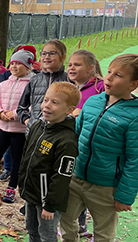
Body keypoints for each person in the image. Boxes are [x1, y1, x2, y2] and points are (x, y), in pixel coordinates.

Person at [60, 54, 138, 242]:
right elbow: (75, 136)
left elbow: (135, 160)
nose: (109, 77)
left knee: (104, 233)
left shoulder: (134, 116)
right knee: (65, 221)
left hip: (105, 187)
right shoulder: (93, 102)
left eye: (118, 75)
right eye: (109, 71)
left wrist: (125, 196)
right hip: (76, 178)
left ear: (133, 84)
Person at [18, 82, 81, 242]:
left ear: (69, 110)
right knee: (32, 229)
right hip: (31, 193)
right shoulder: (38, 126)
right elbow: (26, 155)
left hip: (47, 200)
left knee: (47, 235)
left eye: (55, 102)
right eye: (46, 100)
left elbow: (62, 176)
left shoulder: (66, 140)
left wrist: (50, 205)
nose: (47, 105)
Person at [0, 49, 35, 203]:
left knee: (17, 160)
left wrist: (15, 114)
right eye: (12, 63)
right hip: (2, 127)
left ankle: (11, 189)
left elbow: (33, 105)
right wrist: (0, 113)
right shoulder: (4, 83)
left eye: (19, 64)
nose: (14, 66)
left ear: (28, 66)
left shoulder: (32, 83)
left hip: (20, 130)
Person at [66, 48, 105, 236]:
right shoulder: (69, 86)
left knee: (83, 185)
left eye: (77, 64)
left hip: (89, 145)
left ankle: (83, 224)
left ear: (91, 68)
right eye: (70, 64)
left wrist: (83, 114)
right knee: (72, 185)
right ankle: (75, 223)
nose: (72, 68)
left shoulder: (101, 88)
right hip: (70, 142)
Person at [17, 39, 69, 132]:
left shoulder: (69, 80)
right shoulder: (34, 80)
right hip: (34, 134)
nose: (47, 57)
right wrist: (29, 123)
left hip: (58, 134)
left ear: (63, 57)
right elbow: (21, 108)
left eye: (52, 53)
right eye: (44, 53)